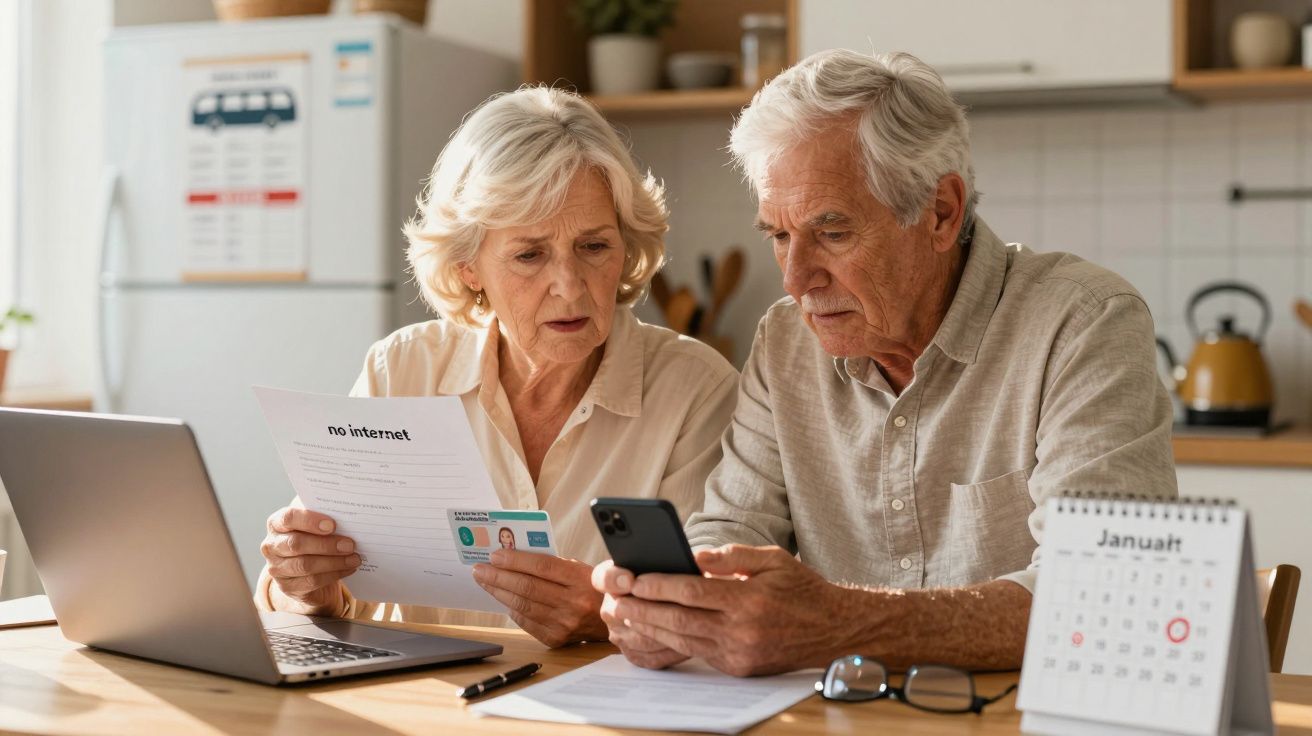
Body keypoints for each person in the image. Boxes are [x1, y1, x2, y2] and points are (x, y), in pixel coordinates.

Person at [592, 50, 1178, 676]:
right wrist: (677, 610)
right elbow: (734, 528)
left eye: (833, 232)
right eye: (780, 236)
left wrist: (840, 623)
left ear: (941, 212)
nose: (796, 280)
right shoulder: (786, 343)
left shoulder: (1082, 323)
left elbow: (1107, 594)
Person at [256, 87, 738, 648]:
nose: (570, 286)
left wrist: (605, 616)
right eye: (529, 255)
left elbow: (712, 623)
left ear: (626, 249)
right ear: (467, 268)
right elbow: (293, 594)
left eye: (594, 247)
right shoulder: (402, 370)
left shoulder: (695, 390)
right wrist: (304, 587)